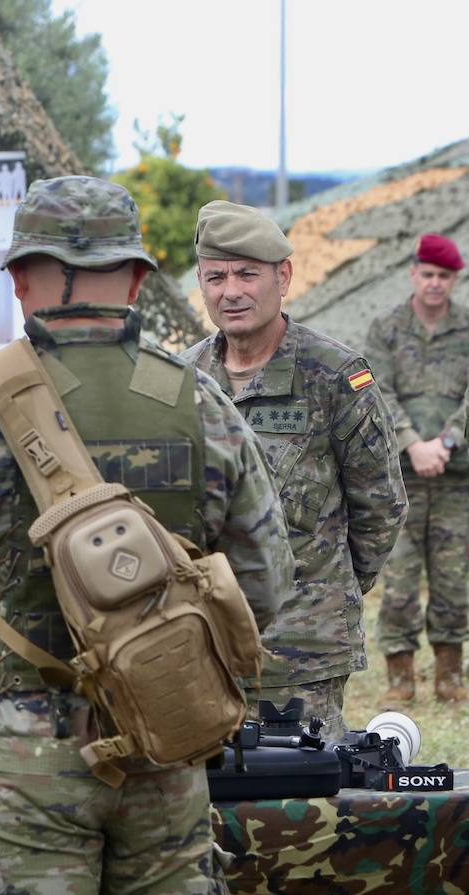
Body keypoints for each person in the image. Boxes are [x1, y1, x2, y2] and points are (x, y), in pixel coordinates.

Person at [0, 176, 293, 893]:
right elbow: (263, 590)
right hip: (169, 740)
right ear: (135, 279)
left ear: (19, 281)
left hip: (19, 765)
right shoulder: (199, 402)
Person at [181, 200, 407, 739]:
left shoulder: (335, 377)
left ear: (283, 276)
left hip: (302, 655)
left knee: (307, 808)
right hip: (199, 646)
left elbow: (381, 506)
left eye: (246, 274)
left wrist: (326, 592)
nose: (230, 291)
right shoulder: (181, 379)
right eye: (215, 277)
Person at [366, 234, 469, 704]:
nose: (434, 284)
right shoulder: (386, 329)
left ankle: (450, 675)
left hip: (457, 476)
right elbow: (377, 391)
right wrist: (412, 444)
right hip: (401, 478)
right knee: (401, 577)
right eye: (427, 274)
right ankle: (399, 678)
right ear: (413, 274)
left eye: (444, 276)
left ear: (454, 280)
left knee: (454, 577)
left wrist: (446, 441)